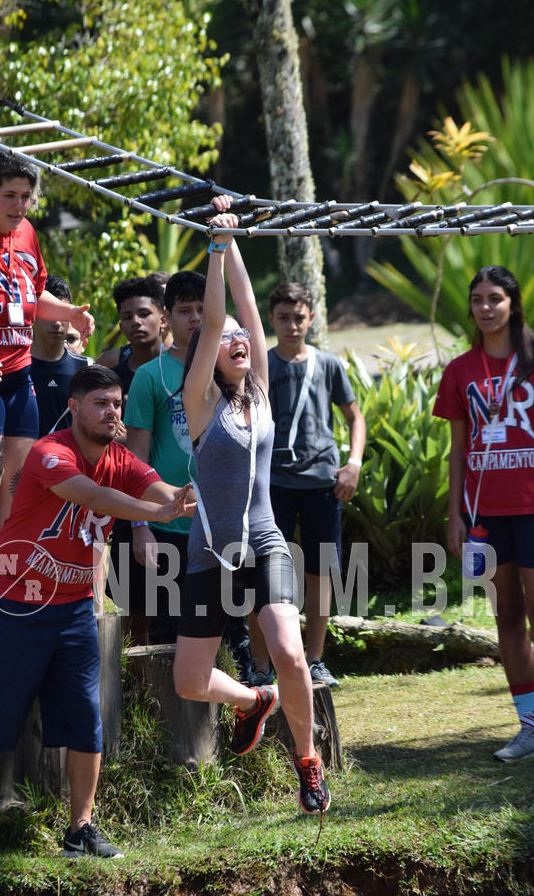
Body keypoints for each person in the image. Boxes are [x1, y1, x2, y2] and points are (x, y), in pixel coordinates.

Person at [0, 364, 195, 861]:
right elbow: (94, 496)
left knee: (86, 718)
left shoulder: (121, 457)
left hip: (71, 608)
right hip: (15, 603)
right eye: (101, 404)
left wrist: (187, 496)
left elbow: (160, 489)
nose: (112, 412)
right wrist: (156, 513)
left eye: (117, 404)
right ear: (74, 407)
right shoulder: (51, 452)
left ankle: (80, 830)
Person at [173, 197, 331, 816]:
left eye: (246, 338)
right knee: (190, 680)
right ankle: (251, 700)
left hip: (262, 541)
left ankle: (308, 764)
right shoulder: (200, 402)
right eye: (228, 341)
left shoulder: (259, 392)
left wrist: (230, 239)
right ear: (210, 356)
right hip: (210, 550)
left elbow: (244, 313)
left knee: (291, 653)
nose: (240, 340)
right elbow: (215, 321)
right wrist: (213, 248)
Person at [0, 148, 94, 625]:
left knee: (18, 483)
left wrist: (69, 314)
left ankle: (9, 578)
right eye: (9, 195)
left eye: (27, 196)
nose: (20, 205)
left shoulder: (26, 234)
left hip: (18, 371)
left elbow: (33, 293)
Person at [433, 265, 534, 762]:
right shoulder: (460, 371)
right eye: (477, 299)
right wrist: (454, 515)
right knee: (509, 616)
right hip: (484, 513)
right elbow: (457, 450)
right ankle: (530, 723)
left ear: (513, 303)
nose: (485, 308)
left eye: (495, 298)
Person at [250, 282, 365, 688]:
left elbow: (355, 417)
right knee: (264, 571)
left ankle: (315, 660)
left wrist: (352, 464)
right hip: (272, 484)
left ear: (311, 318)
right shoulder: (259, 363)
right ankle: (260, 665)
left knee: (320, 573)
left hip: (322, 482)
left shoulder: (327, 363)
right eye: (284, 317)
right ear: (271, 318)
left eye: (299, 317)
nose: (292, 325)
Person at [121, 271, 205, 644]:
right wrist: (142, 527)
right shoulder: (149, 376)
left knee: (224, 629)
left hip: (219, 527)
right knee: (166, 635)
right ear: (168, 316)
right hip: (168, 527)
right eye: (186, 310)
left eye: (204, 309)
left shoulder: (228, 368)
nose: (196, 318)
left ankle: (233, 703)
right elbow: (135, 460)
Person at [31, 274, 93, 437]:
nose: (57, 322)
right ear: (33, 315)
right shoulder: (15, 365)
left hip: (72, 461)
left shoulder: (87, 368)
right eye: (49, 314)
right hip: (24, 461)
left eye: (63, 314)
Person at [96, 273, 171, 389]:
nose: (136, 321)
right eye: (127, 317)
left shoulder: (186, 367)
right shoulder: (109, 375)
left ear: (164, 318)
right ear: (121, 327)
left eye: (144, 314)